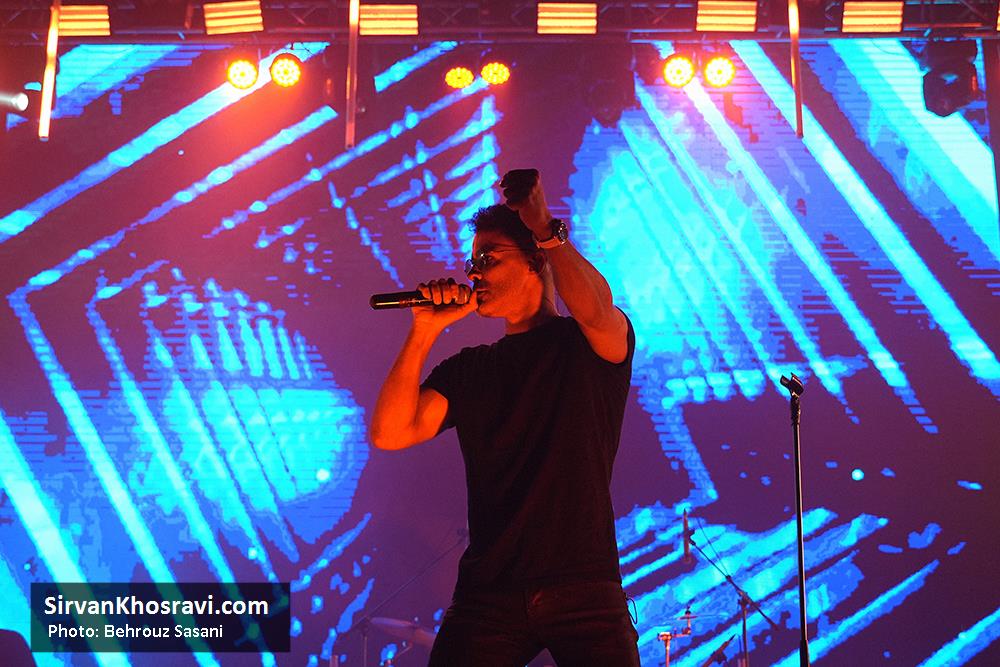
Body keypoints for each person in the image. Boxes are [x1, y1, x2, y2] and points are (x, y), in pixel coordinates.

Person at [369, 168, 640, 666]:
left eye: (488, 259)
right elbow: (390, 433)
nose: (474, 274)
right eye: (472, 262)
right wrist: (424, 330)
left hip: (583, 584)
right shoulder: (470, 369)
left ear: (536, 261)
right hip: (489, 591)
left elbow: (596, 310)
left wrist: (544, 228)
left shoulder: (584, 345)